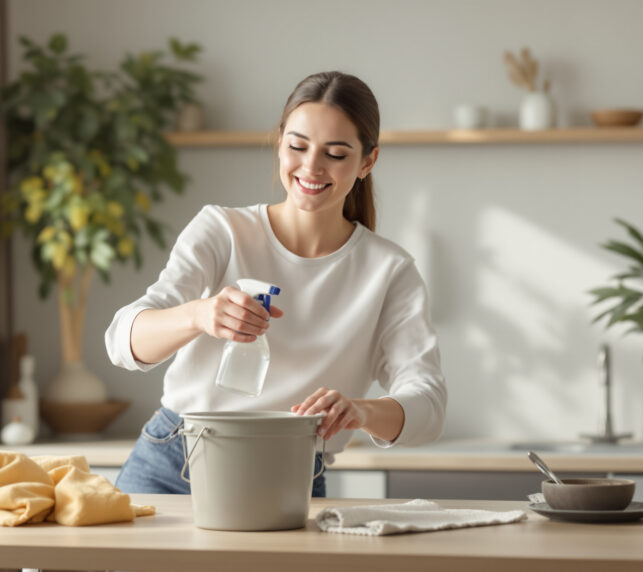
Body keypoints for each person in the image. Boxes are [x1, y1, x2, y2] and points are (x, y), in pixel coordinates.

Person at [105, 71, 447, 497]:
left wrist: (362, 410)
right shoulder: (222, 230)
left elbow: (429, 407)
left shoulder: (389, 271)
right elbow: (122, 340)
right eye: (297, 146)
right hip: (174, 462)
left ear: (367, 162)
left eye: (335, 154)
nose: (311, 167)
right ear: (280, 142)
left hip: (291, 475)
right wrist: (199, 315)